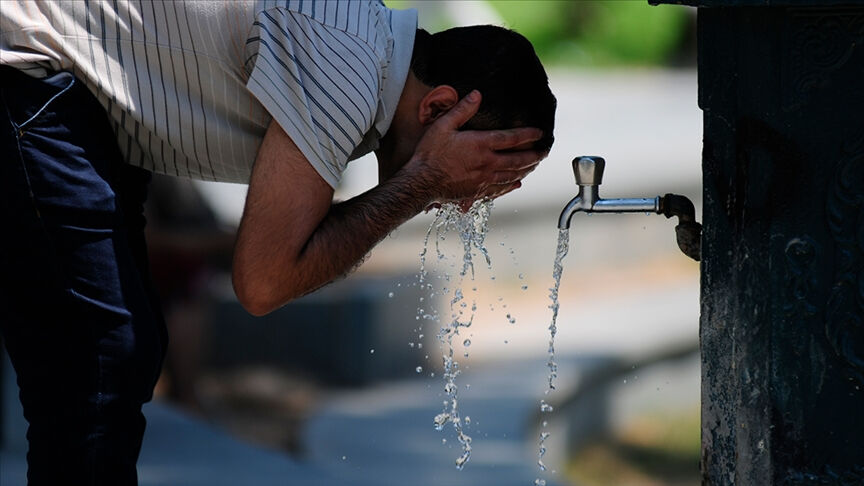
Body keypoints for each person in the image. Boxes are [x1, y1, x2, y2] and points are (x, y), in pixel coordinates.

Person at [0, 1, 556, 484]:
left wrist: (423, 180)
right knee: (101, 358)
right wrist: (420, 183)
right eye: (477, 177)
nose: (464, 202)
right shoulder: (348, 69)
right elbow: (264, 282)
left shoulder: (366, 56)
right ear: (436, 108)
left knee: (117, 357)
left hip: (78, 98)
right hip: (27, 64)